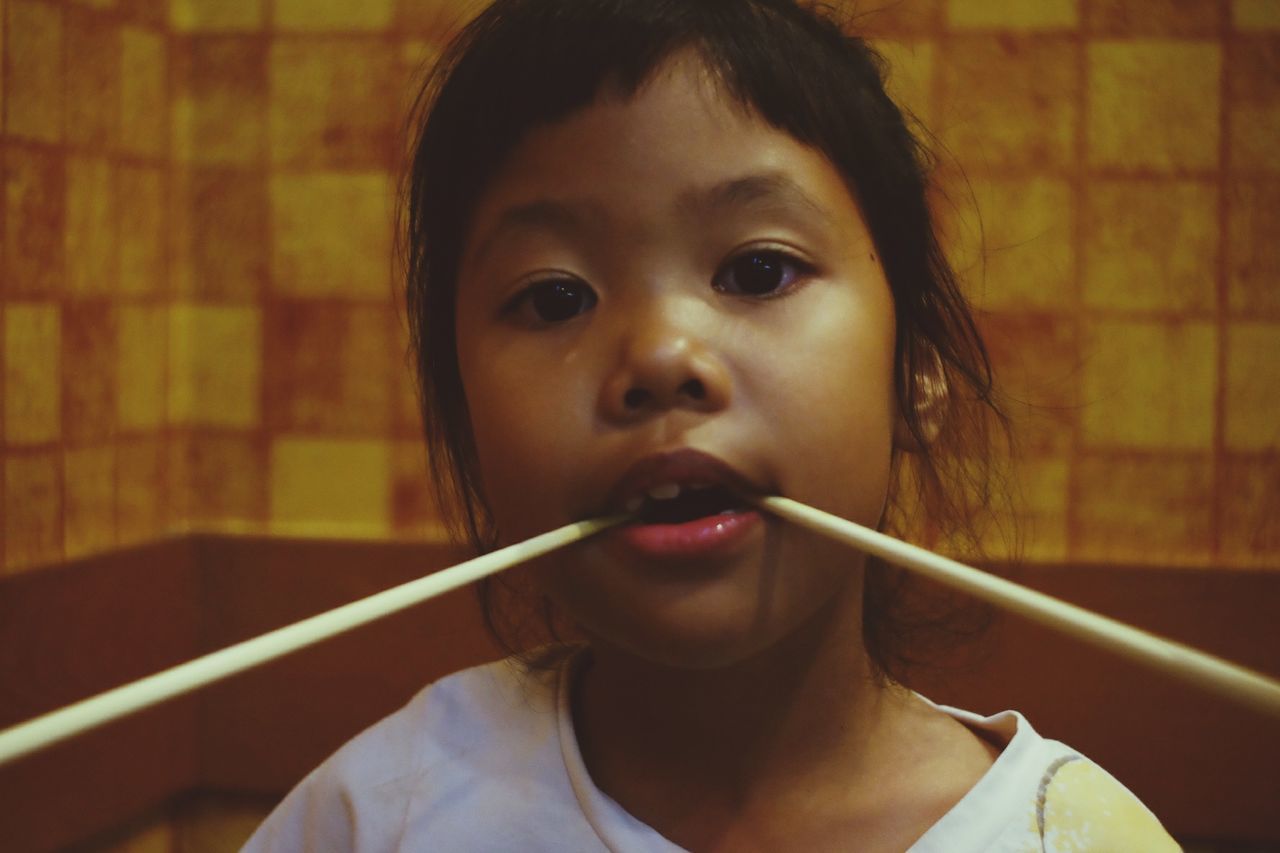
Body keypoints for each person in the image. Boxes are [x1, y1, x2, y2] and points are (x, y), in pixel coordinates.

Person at [245, 1, 1179, 849]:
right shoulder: (377, 820)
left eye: (758, 271)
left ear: (915, 377)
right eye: (555, 295)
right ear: (462, 418)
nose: (660, 355)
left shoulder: (1072, 838)